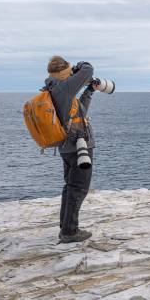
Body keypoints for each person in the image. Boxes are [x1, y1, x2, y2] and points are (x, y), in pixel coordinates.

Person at [45, 56, 100, 243]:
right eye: (69, 71)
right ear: (64, 73)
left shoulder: (56, 88)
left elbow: (79, 111)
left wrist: (90, 90)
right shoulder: (63, 87)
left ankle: (66, 226)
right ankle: (69, 232)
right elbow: (88, 69)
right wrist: (79, 66)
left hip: (68, 146)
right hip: (76, 146)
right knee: (78, 188)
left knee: (71, 187)